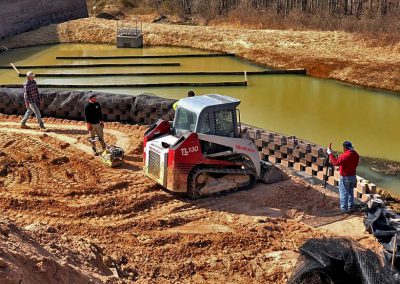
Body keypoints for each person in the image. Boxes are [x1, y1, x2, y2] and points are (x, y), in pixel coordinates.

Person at [327, 141, 359, 213]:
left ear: (345, 148)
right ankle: (351, 206)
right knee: (351, 192)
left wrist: (330, 154)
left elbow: (335, 163)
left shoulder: (344, 156)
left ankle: (344, 209)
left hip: (345, 177)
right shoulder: (356, 154)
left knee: (344, 192)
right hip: (353, 176)